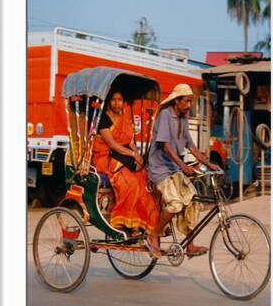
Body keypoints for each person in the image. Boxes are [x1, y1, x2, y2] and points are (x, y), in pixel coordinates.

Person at [147, 83, 219, 257]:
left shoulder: (183, 119)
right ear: (176, 101)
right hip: (159, 169)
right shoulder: (165, 115)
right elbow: (165, 146)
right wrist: (183, 166)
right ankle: (153, 235)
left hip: (173, 168)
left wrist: (209, 165)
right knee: (175, 203)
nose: (189, 105)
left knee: (193, 201)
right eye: (186, 101)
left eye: (190, 101)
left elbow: (191, 146)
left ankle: (190, 245)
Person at [92, 89, 159, 237]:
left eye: (120, 100)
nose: (117, 103)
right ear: (109, 102)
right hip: (106, 158)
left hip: (123, 157)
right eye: (114, 100)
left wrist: (138, 156)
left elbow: (130, 141)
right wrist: (133, 154)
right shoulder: (104, 119)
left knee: (143, 181)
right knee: (130, 183)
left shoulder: (125, 118)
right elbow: (111, 144)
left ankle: (141, 223)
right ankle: (125, 223)